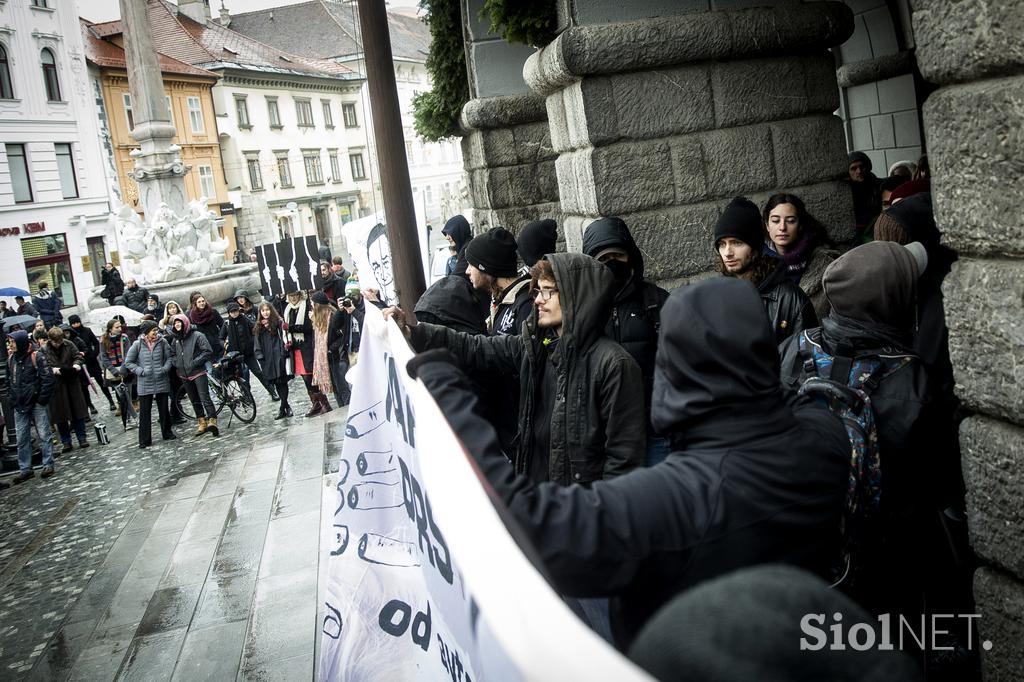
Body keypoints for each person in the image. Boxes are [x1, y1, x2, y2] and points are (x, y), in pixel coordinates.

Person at [408, 276, 850, 650]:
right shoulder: (826, 439)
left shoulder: (678, 497)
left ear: (673, 361)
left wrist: (446, 396)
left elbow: (527, 524)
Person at [388, 252, 646, 486]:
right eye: (537, 292)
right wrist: (412, 332)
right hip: (543, 501)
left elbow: (623, 461)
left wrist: (599, 520)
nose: (538, 301)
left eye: (548, 291)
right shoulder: (536, 349)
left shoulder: (614, 365)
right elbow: (474, 347)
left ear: (576, 296)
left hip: (585, 514)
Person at [581, 217, 669, 463]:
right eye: (603, 259)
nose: (612, 264)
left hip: (654, 428)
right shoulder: (583, 311)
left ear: (630, 256)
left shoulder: (656, 301)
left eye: (617, 255)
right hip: (607, 434)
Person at [715, 197, 817, 344]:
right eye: (722, 244)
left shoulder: (791, 299)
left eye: (737, 243)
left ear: (756, 247)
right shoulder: (714, 295)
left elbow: (805, 359)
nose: (727, 252)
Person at [762, 193, 838, 319]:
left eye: (791, 221)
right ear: (767, 225)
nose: (782, 227)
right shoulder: (757, 265)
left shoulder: (825, 264)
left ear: (800, 224)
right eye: (775, 221)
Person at [7, 330, 56, 482]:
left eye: (13, 342)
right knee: (22, 438)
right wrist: (12, 399)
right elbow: (10, 381)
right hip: (20, 404)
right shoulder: (11, 360)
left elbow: (48, 378)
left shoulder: (37, 356)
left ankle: (48, 464)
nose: (11, 345)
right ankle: (25, 469)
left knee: (44, 434)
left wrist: (41, 399)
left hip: (35, 402)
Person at [465, 227, 533, 336]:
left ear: (486, 267)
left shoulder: (525, 305)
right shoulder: (501, 298)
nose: (467, 271)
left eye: (471, 265)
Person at [124, 320, 175, 448]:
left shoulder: (162, 342)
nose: (156, 333)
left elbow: (169, 357)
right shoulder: (137, 344)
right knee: (145, 412)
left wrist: (165, 368)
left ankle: (167, 433)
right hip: (145, 382)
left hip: (161, 379)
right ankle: (145, 440)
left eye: (156, 330)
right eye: (153, 331)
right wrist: (140, 371)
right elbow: (129, 362)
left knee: (163, 409)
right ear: (146, 332)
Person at [168, 314, 218, 436]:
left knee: (204, 397)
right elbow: (172, 354)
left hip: (197, 372)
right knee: (194, 400)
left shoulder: (197, 336)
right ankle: (201, 422)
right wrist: (178, 363)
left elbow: (207, 351)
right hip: (184, 374)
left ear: (185, 322)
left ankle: (212, 421)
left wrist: (194, 362)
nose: (177, 325)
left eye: (179, 322)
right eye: (175, 323)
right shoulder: (176, 340)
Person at [41, 326, 89, 454]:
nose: (58, 344)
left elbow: (78, 356)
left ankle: (82, 437)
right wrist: (52, 370)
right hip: (56, 384)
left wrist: (76, 365)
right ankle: (66, 441)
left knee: (77, 411)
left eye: (60, 341)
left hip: (72, 380)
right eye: (55, 341)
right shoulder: (44, 349)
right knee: (60, 414)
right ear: (50, 340)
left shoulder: (69, 344)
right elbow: (42, 364)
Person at [221, 302, 277, 400]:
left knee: (258, 372)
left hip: (248, 353)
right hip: (236, 356)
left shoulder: (244, 319)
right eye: (232, 312)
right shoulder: (227, 323)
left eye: (235, 311)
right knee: (242, 377)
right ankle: (247, 396)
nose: (234, 313)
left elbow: (254, 328)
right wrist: (226, 345)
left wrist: (252, 341)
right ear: (229, 313)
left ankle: (272, 392)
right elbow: (221, 338)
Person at [283, 290, 325, 417]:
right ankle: (315, 403)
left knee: (311, 376)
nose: (294, 298)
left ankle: (324, 403)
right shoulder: (288, 310)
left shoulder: (306, 306)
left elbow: (307, 327)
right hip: (296, 348)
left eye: (295, 295)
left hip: (307, 346)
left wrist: (290, 328)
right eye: (291, 296)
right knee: (305, 378)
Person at [68, 314, 115, 413]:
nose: (76, 325)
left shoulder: (87, 330)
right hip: (79, 363)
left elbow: (96, 343)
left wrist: (94, 354)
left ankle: (111, 401)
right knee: (84, 386)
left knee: (101, 382)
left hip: (91, 360)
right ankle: (90, 405)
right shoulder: (71, 335)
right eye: (74, 323)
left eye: (77, 322)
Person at [254, 301, 293, 419]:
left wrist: (284, 352)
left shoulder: (278, 322)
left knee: (283, 382)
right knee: (276, 383)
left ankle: (283, 407)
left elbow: (284, 337)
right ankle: (285, 407)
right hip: (268, 360)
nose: (265, 313)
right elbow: (257, 345)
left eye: (267, 310)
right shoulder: (259, 327)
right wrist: (261, 358)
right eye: (263, 310)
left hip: (279, 357)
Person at [100, 318, 134, 423]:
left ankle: (130, 417)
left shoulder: (124, 338)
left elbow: (129, 353)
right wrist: (114, 370)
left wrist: (124, 368)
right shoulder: (103, 340)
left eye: (120, 326)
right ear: (110, 329)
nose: (120, 329)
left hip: (125, 370)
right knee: (121, 396)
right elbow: (103, 357)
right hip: (113, 371)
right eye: (117, 327)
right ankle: (128, 417)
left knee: (128, 394)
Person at [307, 292, 335, 416]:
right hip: (324, 355)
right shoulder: (317, 318)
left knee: (340, 387)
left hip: (332, 354)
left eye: (313, 304)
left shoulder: (331, 316)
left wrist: (330, 349)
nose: (311, 306)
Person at [848, 151, 881, 236]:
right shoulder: (847, 192)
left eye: (862, 166)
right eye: (853, 168)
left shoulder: (878, 186)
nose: (859, 171)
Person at [187, 294, 224, 370]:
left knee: (222, 370)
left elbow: (223, 325)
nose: (202, 303)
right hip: (204, 349)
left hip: (217, 345)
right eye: (199, 302)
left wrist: (221, 339)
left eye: (203, 301)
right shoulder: (191, 316)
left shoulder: (213, 312)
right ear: (195, 304)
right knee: (210, 372)